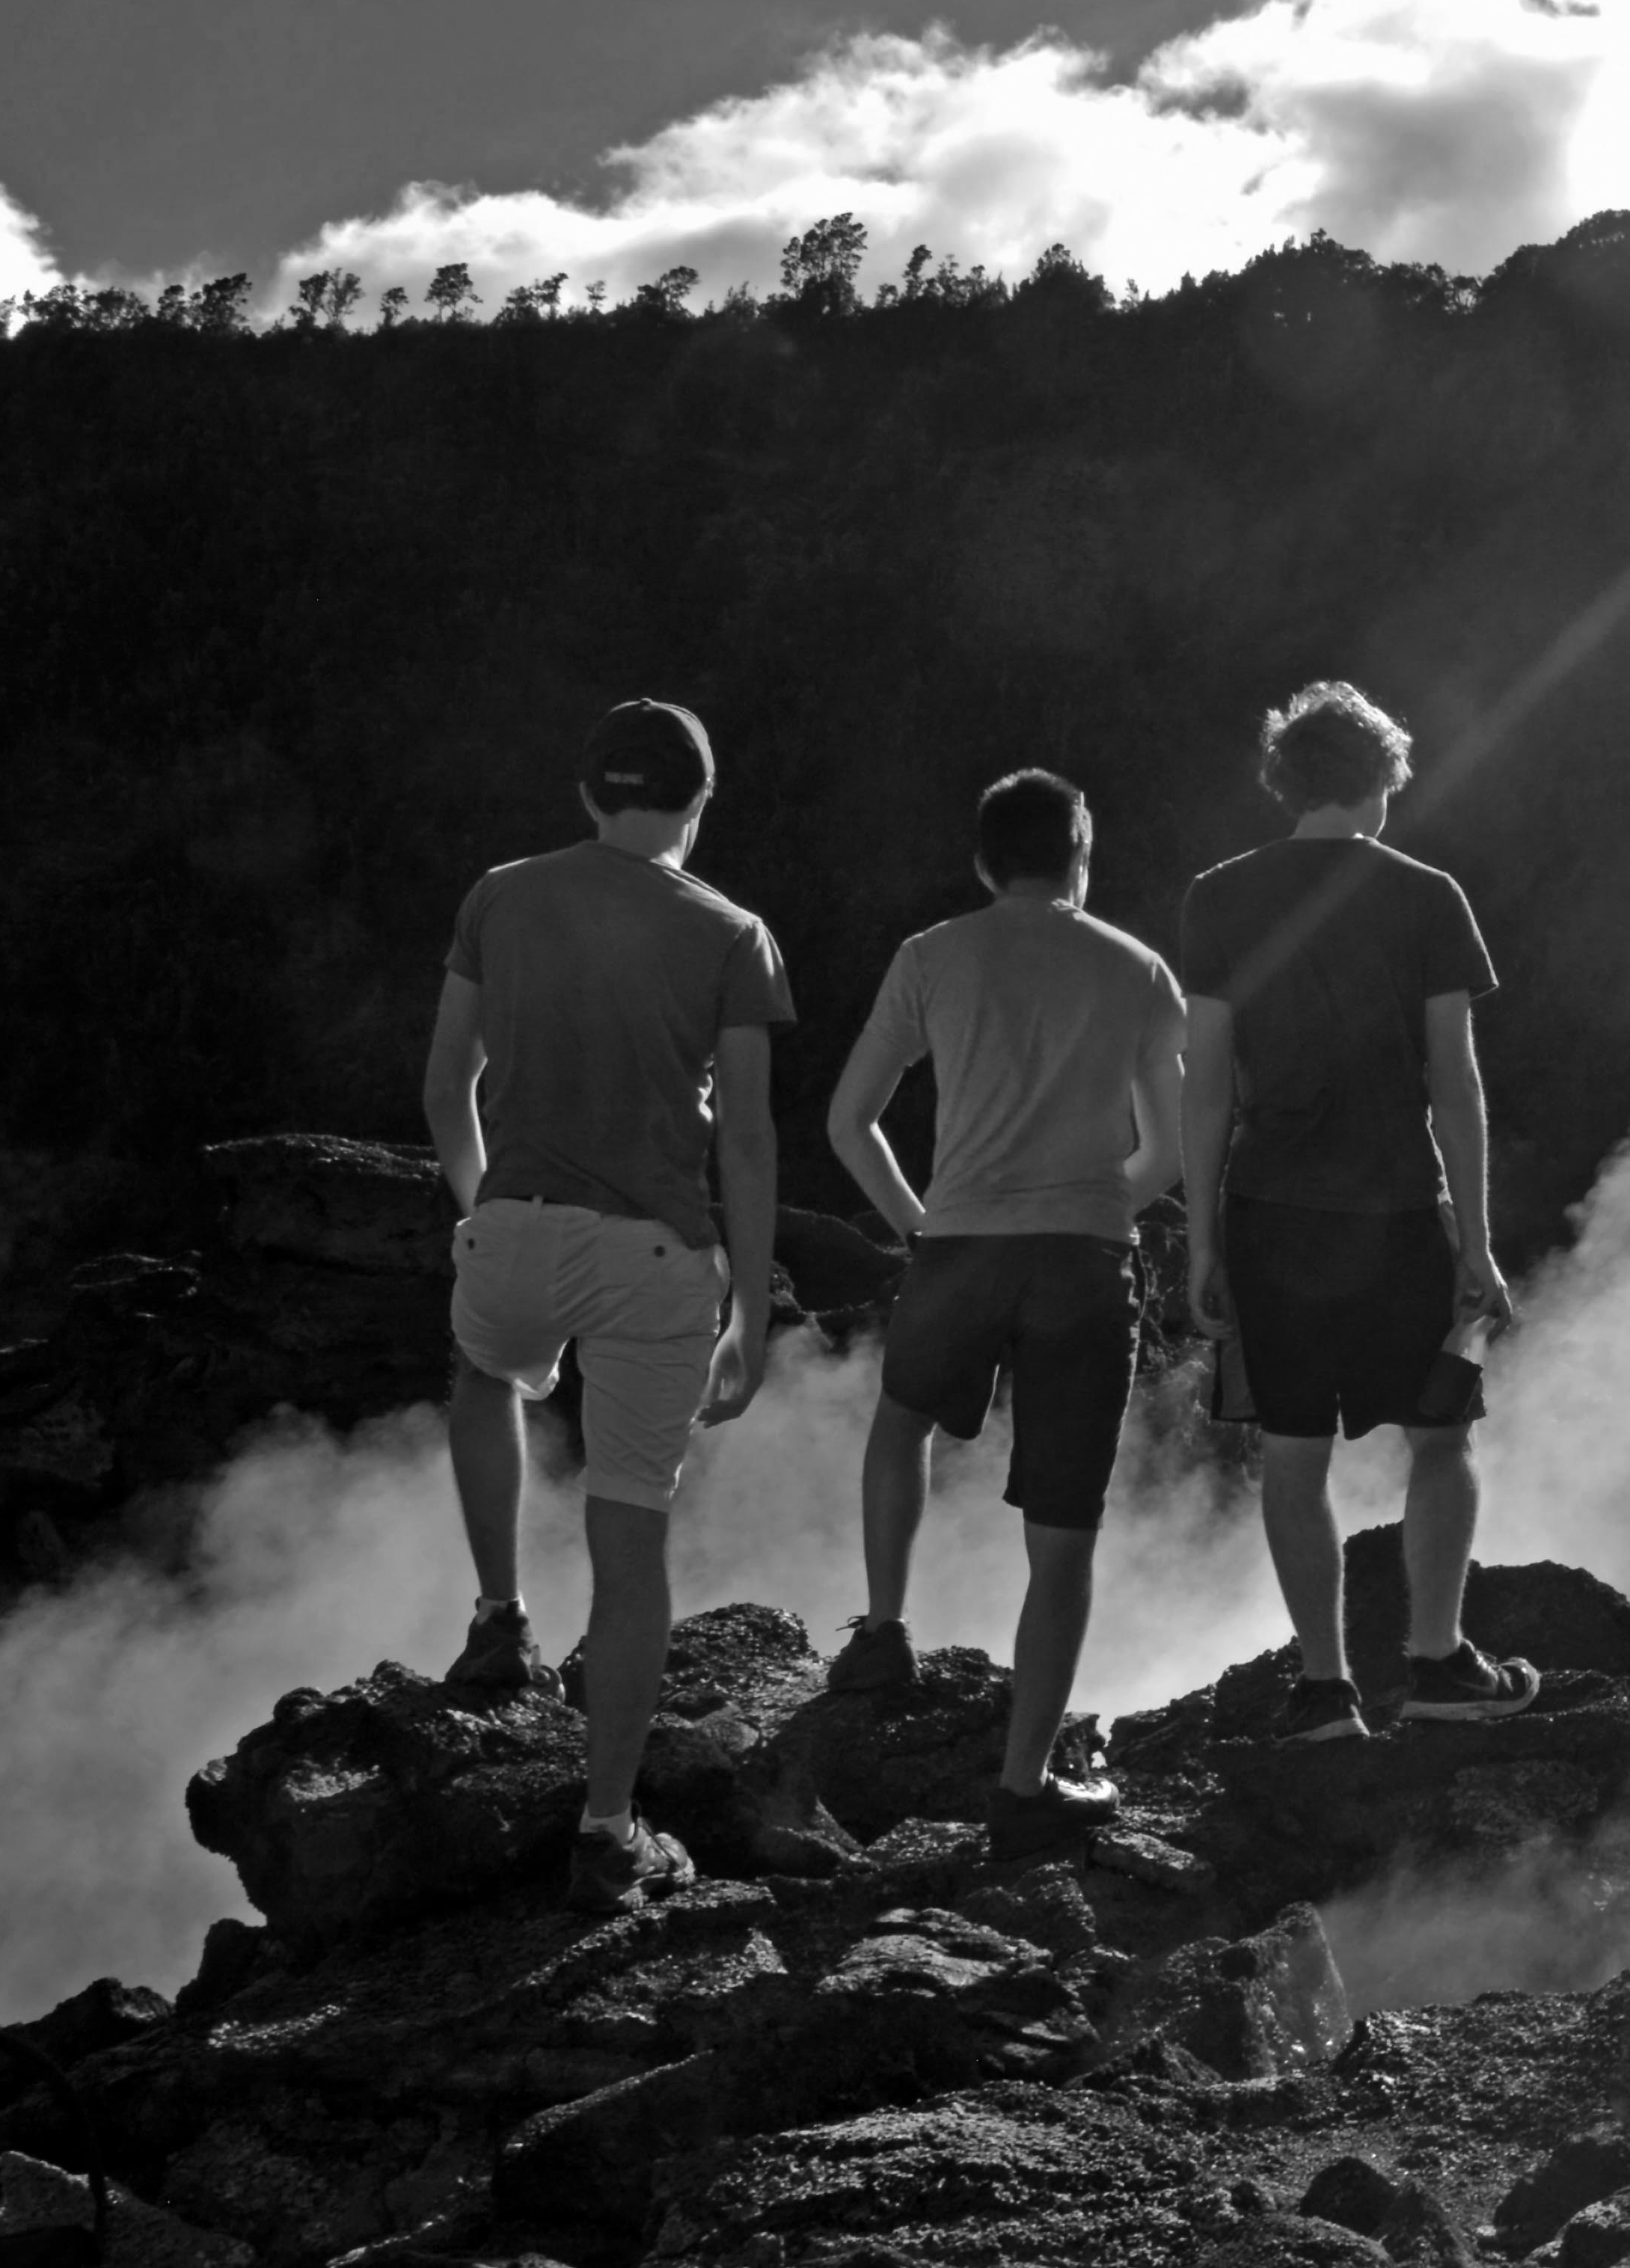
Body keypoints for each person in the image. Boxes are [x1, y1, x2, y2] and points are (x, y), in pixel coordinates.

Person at [421, 697, 788, 1913]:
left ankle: (496, 1619)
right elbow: (744, 1134)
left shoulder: (499, 894)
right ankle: (607, 1826)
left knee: (486, 1379)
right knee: (630, 1544)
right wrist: (749, 1304)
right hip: (657, 1253)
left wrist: (488, 1210)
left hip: (516, 1224)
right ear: (700, 800)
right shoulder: (734, 933)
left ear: (588, 794)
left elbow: (443, 1089)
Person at [819, 768, 1185, 1858]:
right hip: (1083, 1258)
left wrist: (924, 1224)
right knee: (1063, 1530)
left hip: (960, 1244)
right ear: (1082, 853)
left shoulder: (931, 956)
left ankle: (882, 1630)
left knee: (901, 1423)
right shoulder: (1138, 969)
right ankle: (1024, 1784)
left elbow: (852, 1121)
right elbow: (1164, 1150)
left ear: (984, 861)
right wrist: (1090, 1206)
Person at [1174, 680, 1531, 1744]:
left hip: (1271, 1210)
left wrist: (1199, 1238)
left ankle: (1324, 1691)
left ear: (1286, 778)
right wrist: (1476, 1238)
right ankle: (1434, 1664)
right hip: (1397, 1214)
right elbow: (1455, 1084)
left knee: (1292, 1454)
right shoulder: (1428, 894)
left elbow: (1207, 1080)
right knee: (1440, 1434)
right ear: (1380, 781)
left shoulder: (1218, 896)